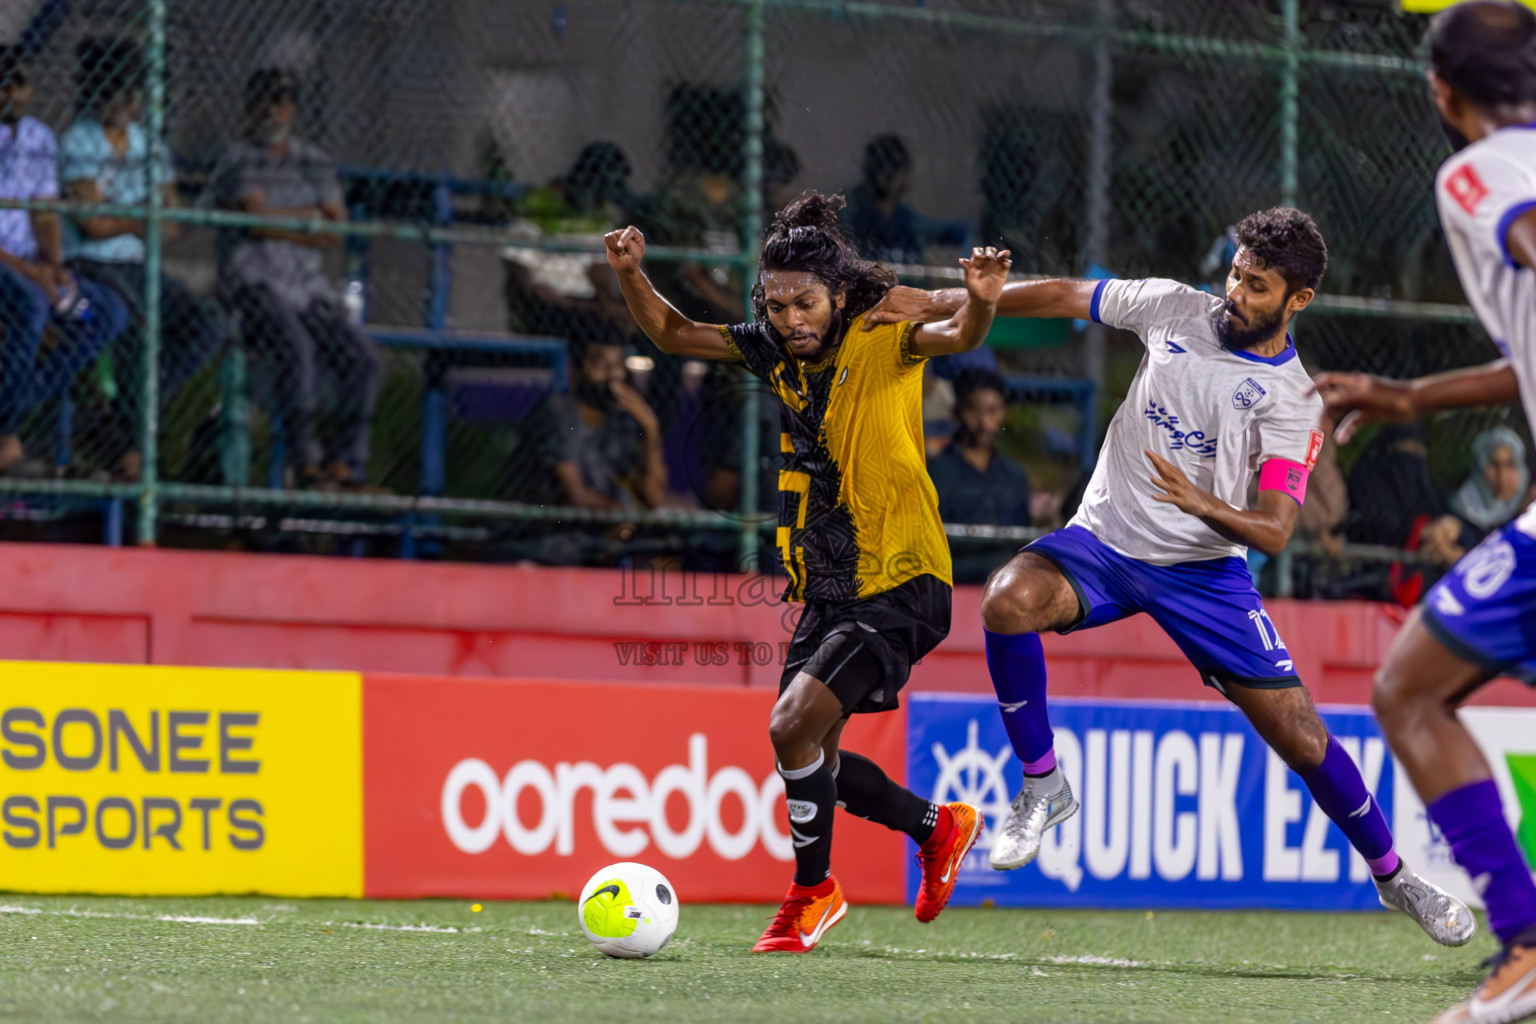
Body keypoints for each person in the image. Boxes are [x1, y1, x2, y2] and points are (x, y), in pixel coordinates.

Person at [873, 208, 1474, 948]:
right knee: (1007, 602)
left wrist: (1201, 503)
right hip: (1104, 543)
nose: (1235, 293)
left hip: (1204, 574)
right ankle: (1043, 786)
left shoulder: (1294, 401)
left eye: (1257, 286)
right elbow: (1066, 295)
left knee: (1302, 736)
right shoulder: (1172, 307)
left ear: (1299, 300)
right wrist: (957, 300)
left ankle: (1394, 876)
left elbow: (1277, 530)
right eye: (1234, 274)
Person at [603, 191, 1008, 953]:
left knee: (791, 725)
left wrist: (983, 303)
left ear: (839, 297)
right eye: (777, 303)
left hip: (901, 577)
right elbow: (667, 329)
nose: (791, 318)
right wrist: (632, 270)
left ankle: (812, 893)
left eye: (806, 303)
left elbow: (957, 332)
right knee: (807, 753)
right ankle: (938, 825)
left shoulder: (883, 333)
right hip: (829, 584)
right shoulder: (771, 348)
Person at [1316, 5, 1536, 1019]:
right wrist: (1406, 396)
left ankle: (1528, 942)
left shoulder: (1478, 170)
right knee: (1411, 685)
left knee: (1408, 689)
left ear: (1443, 95)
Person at [60, 37, 225, 481]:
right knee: (133, 329)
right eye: (113, 92)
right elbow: (91, 227)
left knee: (207, 323)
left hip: (138, 265)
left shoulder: (148, 145)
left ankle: (123, 414)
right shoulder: (79, 140)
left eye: (130, 94)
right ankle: (131, 446)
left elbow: (170, 224)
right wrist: (141, 216)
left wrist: (126, 216)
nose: (124, 103)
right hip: (91, 265)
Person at [215, 68, 379, 490]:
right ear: (250, 108)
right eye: (265, 102)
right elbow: (255, 221)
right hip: (255, 282)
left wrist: (289, 222)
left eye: (282, 103)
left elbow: (335, 227)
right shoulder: (238, 158)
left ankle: (346, 463)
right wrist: (307, 219)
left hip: (307, 286)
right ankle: (304, 461)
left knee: (362, 358)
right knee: (297, 347)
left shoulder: (314, 160)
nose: (274, 112)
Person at [0, 46, 126, 474]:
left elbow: (44, 212)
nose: (11, 93)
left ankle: (13, 410)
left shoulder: (37, 138)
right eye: (4, 84)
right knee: (31, 307)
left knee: (98, 314)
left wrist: (54, 267)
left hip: (34, 268)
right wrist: (32, 274)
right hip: (9, 273)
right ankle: (7, 435)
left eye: (19, 84)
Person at [1450, 425, 1530, 538]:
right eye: (1494, 465)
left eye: (1510, 464)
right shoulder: (1462, 513)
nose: (1502, 476)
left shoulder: (1522, 507)